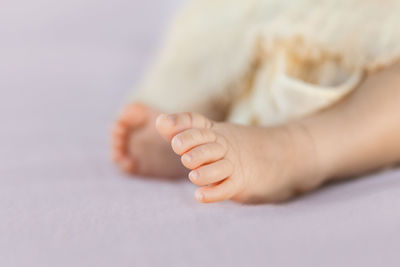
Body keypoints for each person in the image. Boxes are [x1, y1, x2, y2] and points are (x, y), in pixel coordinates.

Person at [111, 0, 400, 203]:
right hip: (280, 24)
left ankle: (295, 149)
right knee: (216, 18)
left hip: (372, 64)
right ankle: (187, 123)